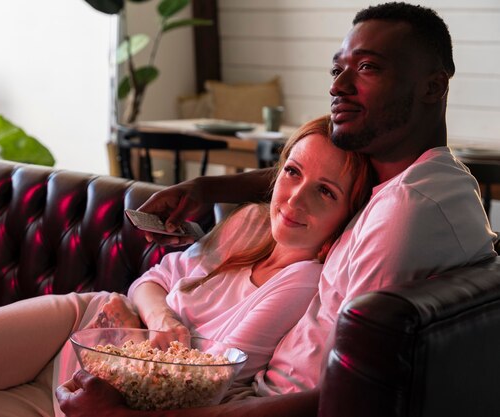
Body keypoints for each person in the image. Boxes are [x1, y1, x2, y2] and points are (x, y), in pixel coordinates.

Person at [56, 3, 497, 417]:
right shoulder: (420, 181)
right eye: (337, 68)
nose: (337, 86)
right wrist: (207, 187)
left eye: (366, 68)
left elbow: (345, 396)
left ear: (433, 86)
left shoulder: (403, 212)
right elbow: (315, 172)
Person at [0, 116, 372, 417]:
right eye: (292, 172)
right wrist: (164, 318)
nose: (295, 198)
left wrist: (156, 329)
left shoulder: (302, 280)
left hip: (104, 394)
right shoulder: (248, 223)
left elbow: (209, 370)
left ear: (347, 216)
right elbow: (150, 281)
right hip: (83, 326)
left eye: (324, 192)